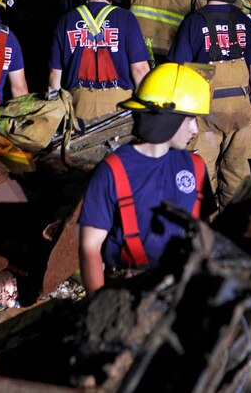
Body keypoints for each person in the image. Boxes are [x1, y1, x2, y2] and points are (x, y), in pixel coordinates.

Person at [78, 63, 214, 293]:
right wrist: (97, 306)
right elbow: (89, 246)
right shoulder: (113, 171)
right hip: (125, 291)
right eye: (189, 119)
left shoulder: (196, 168)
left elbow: (205, 236)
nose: (195, 130)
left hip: (180, 290)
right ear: (167, 119)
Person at [170, 0, 251, 206]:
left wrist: (180, 114)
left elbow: (180, 71)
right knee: (238, 172)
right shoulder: (244, 21)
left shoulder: (193, 22)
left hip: (206, 109)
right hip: (241, 107)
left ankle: (206, 228)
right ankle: (234, 229)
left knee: (202, 173)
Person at [48, 0, 151, 122]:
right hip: (119, 105)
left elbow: (54, 74)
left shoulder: (66, 20)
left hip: (78, 104)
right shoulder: (126, 19)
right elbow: (140, 70)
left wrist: (53, 115)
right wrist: (147, 112)